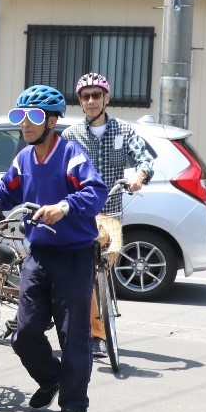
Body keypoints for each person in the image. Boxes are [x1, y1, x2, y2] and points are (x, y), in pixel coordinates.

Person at [0, 85, 106, 412]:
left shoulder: (70, 154)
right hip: (38, 253)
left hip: (74, 255)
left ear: (52, 121)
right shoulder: (24, 158)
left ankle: (74, 403)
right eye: (19, 116)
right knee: (23, 332)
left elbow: (94, 191)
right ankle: (51, 377)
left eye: (34, 116)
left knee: (73, 333)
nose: (25, 123)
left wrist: (65, 206)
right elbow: (6, 187)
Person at [62, 72, 154, 359]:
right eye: (85, 96)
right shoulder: (70, 135)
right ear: (80, 101)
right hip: (81, 214)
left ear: (106, 98)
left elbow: (145, 158)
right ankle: (96, 334)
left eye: (96, 95)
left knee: (103, 268)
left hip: (111, 213)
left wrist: (139, 175)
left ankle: (96, 326)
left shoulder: (123, 132)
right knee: (86, 276)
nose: (91, 101)